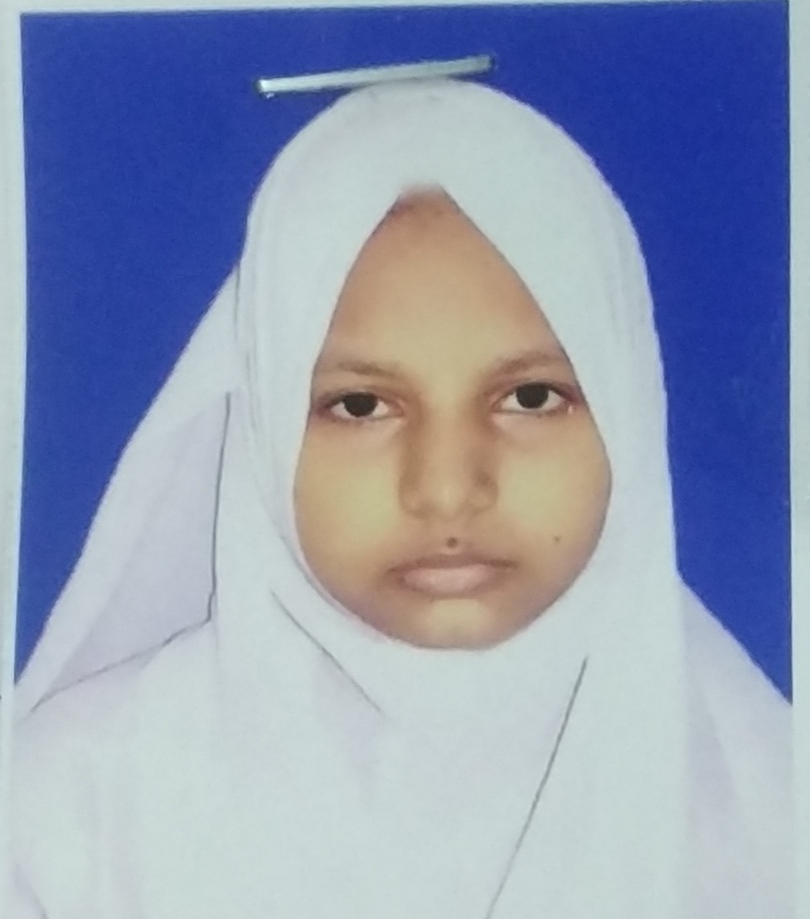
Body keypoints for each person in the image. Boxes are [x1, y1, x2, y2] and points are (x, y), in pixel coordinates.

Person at [9, 78, 791, 918]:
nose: (447, 489)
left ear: (628, 408)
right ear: (265, 427)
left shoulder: (770, 814)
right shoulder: (71, 818)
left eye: (530, 397)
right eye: (360, 405)